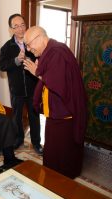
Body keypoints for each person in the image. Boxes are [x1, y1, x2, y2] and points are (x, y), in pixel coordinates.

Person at [23, 26, 88, 179]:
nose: (28, 49)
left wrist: (37, 74)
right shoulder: (50, 52)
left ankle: (62, 184)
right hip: (55, 114)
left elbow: (59, 84)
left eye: (29, 44)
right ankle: (53, 181)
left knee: (61, 156)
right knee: (52, 154)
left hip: (64, 115)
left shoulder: (57, 52)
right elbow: (52, 77)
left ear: (39, 37)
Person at [0, 14, 43, 155]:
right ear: (11, 29)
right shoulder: (7, 47)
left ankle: (36, 143)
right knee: (16, 117)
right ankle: (18, 140)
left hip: (33, 88)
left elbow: (42, 59)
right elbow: (2, 66)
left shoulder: (34, 43)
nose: (20, 29)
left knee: (34, 116)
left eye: (22, 24)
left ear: (26, 25)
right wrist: (16, 60)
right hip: (16, 89)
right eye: (16, 26)